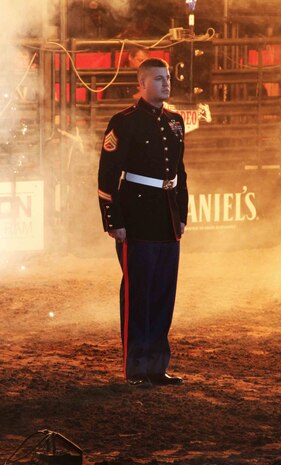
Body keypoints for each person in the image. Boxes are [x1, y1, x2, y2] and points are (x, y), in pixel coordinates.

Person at [97, 58, 188, 388]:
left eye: (168, 78)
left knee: (164, 294)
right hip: (136, 218)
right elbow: (107, 174)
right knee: (138, 295)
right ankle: (136, 369)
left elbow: (181, 173)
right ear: (143, 84)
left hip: (166, 219)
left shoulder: (176, 122)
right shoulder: (125, 122)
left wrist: (181, 216)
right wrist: (113, 221)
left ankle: (156, 365)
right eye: (159, 79)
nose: (166, 83)